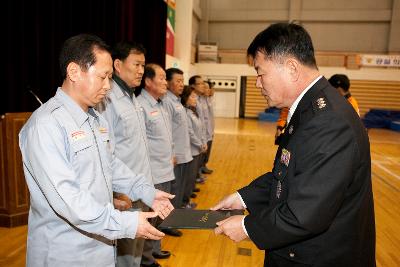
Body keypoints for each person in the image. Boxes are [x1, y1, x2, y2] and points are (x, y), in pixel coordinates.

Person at [211, 23, 375, 267]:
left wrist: (247, 227)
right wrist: (243, 198)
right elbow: (289, 173)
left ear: (291, 68)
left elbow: (307, 213)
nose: (257, 83)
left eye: (260, 73)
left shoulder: (329, 121)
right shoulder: (310, 109)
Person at [19, 34, 174, 266]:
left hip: (100, 246)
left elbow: (111, 165)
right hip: (65, 254)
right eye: (103, 77)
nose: (108, 86)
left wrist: (146, 190)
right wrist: (128, 224)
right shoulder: (45, 126)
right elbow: (69, 200)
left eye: (110, 78)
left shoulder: (95, 119)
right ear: (74, 72)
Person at [96, 41, 157, 267]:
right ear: (118, 65)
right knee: (125, 256)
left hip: (141, 187)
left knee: (136, 253)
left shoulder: (132, 96)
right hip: (125, 194)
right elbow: (106, 152)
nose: (141, 70)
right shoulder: (107, 99)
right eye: (137, 64)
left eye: (143, 65)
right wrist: (117, 192)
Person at [137, 64, 175, 266]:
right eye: (161, 78)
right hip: (151, 173)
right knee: (150, 216)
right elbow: (139, 143)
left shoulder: (160, 103)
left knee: (160, 215)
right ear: (148, 81)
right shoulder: (140, 105)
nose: (165, 82)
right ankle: (146, 259)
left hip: (164, 169)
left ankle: (154, 250)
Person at [163, 68, 193, 235]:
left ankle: (175, 218)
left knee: (179, 191)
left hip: (184, 154)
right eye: (178, 81)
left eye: (183, 81)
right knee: (173, 193)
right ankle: (168, 224)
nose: (182, 84)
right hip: (176, 156)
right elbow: (167, 131)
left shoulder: (176, 101)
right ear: (168, 82)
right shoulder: (167, 102)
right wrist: (172, 153)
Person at [181, 85, 207, 209]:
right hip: (192, 150)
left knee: (191, 178)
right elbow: (190, 132)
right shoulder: (185, 113)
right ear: (185, 98)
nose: (195, 98)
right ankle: (184, 203)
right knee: (188, 179)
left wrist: (203, 142)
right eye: (192, 96)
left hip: (197, 149)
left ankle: (187, 200)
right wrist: (200, 143)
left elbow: (200, 129)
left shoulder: (192, 111)